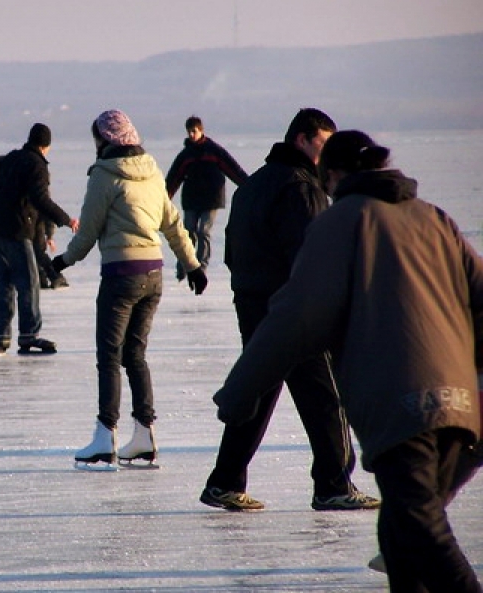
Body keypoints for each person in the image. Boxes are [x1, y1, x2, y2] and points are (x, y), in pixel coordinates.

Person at [214, 130, 483, 592]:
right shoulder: (435, 218)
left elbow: (296, 317)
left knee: (422, 531)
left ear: (333, 174)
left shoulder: (341, 222)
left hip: (404, 405)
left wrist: (240, 391)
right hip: (461, 405)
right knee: (401, 538)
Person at [200, 108, 379, 512]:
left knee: (257, 391)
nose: (327, 153)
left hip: (252, 303)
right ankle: (334, 485)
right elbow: (313, 256)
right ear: (302, 139)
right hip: (295, 311)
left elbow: (232, 252)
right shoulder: (301, 188)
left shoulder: (252, 185)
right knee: (324, 397)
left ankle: (224, 481)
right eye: (322, 142)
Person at [51, 110, 207, 469]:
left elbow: (88, 232)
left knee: (109, 355)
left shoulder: (104, 176)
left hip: (121, 274)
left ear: (104, 140)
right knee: (134, 355)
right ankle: (143, 436)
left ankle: (106, 437)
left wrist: (62, 262)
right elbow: (173, 224)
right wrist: (193, 265)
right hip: (153, 274)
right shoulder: (152, 172)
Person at [0, 123, 79, 355]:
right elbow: (40, 199)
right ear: (46, 147)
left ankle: (2, 336)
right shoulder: (36, 164)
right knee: (29, 282)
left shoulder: (10, 159)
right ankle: (29, 335)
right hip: (16, 230)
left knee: (5, 282)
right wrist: (66, 220)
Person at [164, 115, 248, 268]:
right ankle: (186, 264)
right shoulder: (186, 155)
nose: (191, 134)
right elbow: (174, 179)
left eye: (194, 131)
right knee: (188, 231)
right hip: (191, 200)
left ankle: (202, 264)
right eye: (189, 131)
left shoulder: (214, 151)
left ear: (201, 131)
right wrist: (163, 199)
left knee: (203, 231)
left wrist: (249, 187)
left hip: (211, 199)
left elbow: (233, 170)